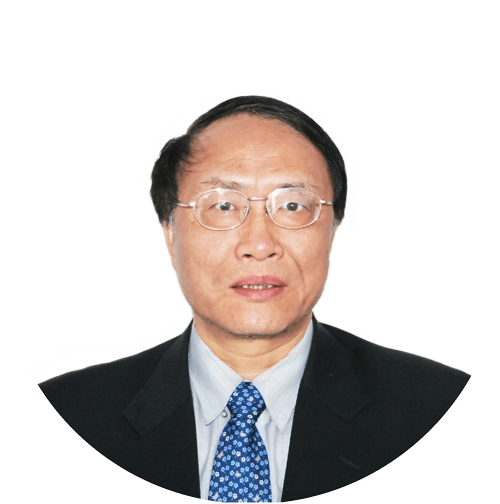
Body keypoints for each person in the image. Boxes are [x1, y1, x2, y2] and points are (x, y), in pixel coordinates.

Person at [38, 95, 470, 502]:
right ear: (170, 231)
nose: (260, 245)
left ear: (333, 229)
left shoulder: (435, 409)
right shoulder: (70, 415)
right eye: (223, 206)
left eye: (293, 207)